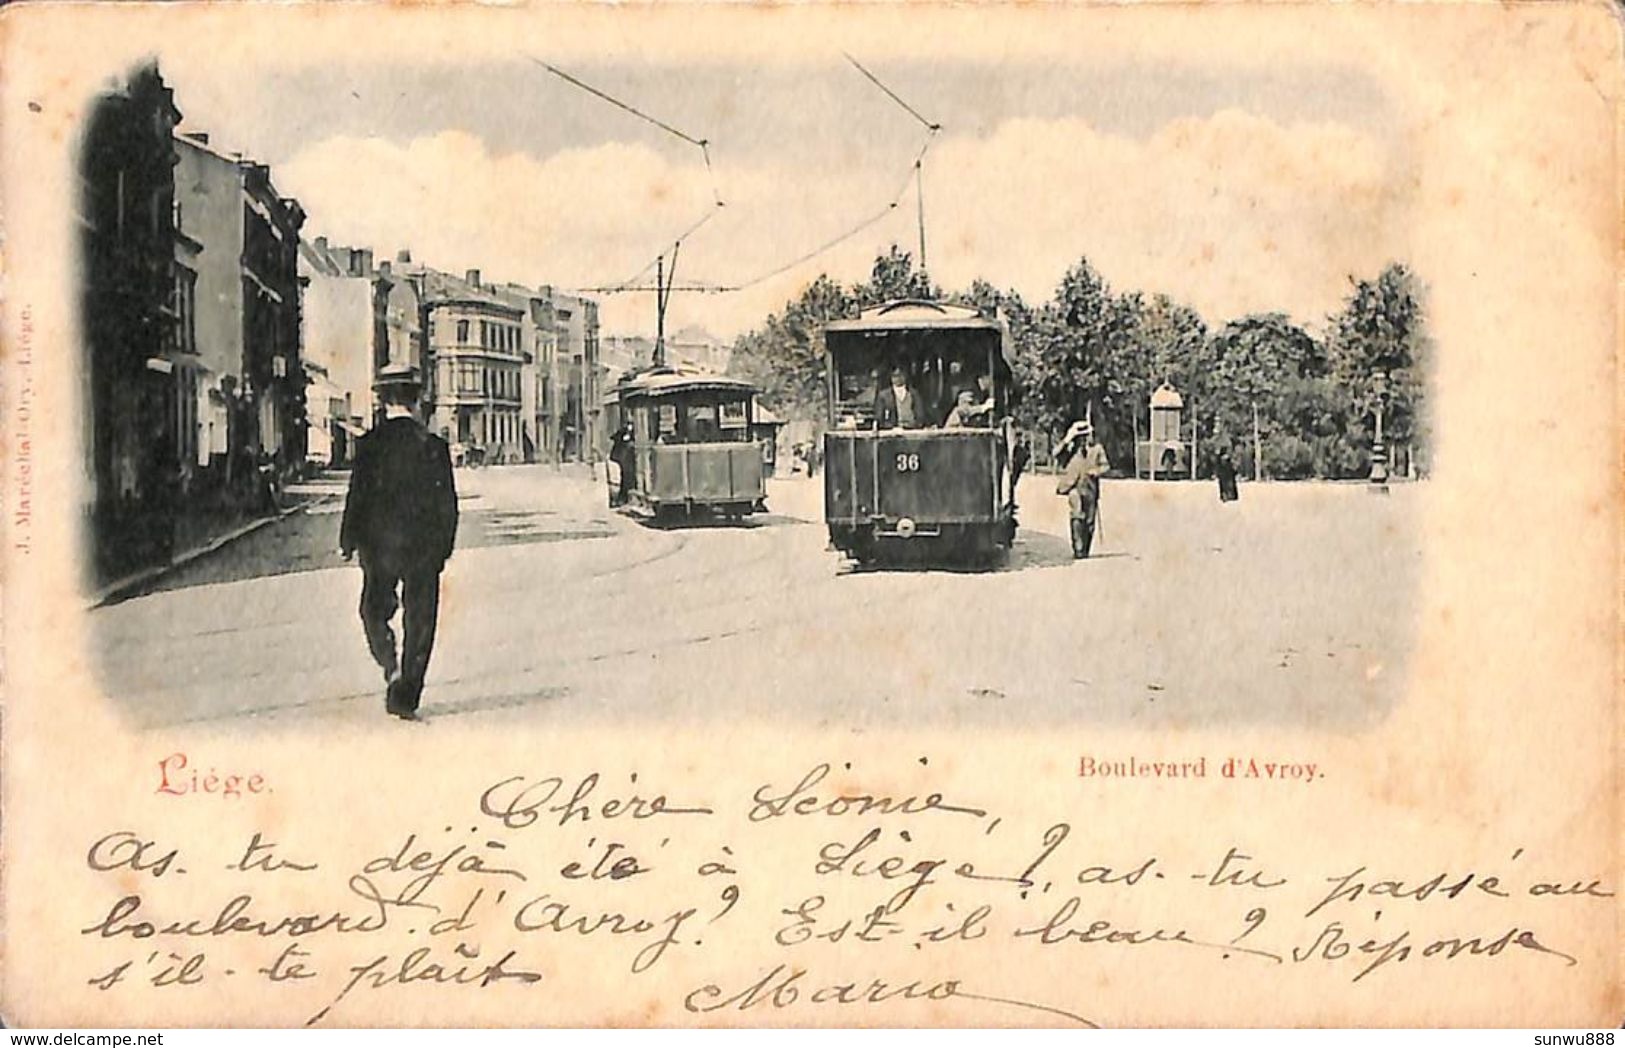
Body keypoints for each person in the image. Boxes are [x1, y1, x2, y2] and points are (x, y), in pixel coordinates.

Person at [340, 364, 459, 720]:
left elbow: (356, 496)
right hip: (423, 548)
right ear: (416, 399)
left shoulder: (369, 446)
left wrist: (348, 539)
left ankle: (389, 664)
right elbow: (447, 504)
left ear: (382, 400)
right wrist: (443, 547)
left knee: (373, 611)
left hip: (379, 548)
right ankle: (407, 691)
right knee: (421, 619)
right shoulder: (434, 447)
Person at [1055, 420, 1110, 559]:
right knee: (1077, 515)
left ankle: (1085, 549)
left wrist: (1096, 471)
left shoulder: (1097, 449)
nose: (1083, 439)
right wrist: (1067, 439)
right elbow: (1055, 454)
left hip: (1090, 489)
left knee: (1089, 522)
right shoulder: (1069, 449)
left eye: (1086, 435)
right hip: (1074, 487)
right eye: (1080, 436)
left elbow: (1106, 466)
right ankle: (1077, 548)